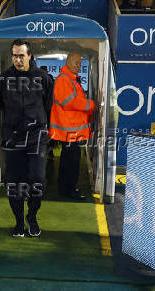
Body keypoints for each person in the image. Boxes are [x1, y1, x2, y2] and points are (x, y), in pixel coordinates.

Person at [0, 39, 54, 237]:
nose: (18, 59)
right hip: (12, 136)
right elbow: (0, 104)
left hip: (36, 136)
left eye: (21, 55)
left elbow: (48, 105)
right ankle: (19, 221)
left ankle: (32, 216)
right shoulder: (4, 79)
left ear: (30, 56)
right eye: (14, 55)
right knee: (14, 183)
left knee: (37, 180)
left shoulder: (43, 78)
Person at [49, 52, 95, 200]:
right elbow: (69, 102)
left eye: (80, 63)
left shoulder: (70, 79)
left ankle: (66, 188)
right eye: (75, 62)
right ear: (67, 62)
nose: (78, 66)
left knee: (69, 161)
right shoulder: (64, 79)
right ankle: (69, 190)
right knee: (71, 162)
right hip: (69, 130)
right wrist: (90, 105)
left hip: (72, 130)